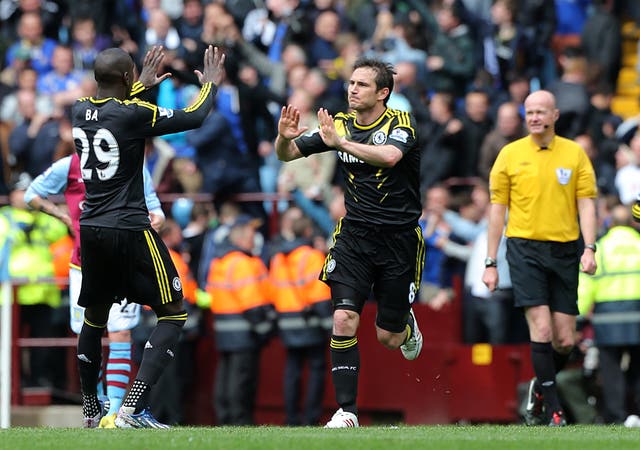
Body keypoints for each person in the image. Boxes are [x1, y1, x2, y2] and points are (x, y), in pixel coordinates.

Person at [72, 44, 225, 429]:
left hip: (90, 228)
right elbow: (195, 115)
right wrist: (210, 85)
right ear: (125, 78)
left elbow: (115, 111)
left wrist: (137, 84)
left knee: (95, 318)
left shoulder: (78, 110)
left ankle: (91, 410)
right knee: (174, 312)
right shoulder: (134, 113)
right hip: (130, 227)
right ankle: (130, 409)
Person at [275, 57, 425, 428]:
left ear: (383, 93)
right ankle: (347, 412)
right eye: (351, 83)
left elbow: (390, 157)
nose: (352, 89)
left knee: (388, 338)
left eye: (361, 85)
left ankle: (405, 325)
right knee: (343, 318)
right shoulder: (338, 124)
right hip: (354, 236)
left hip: (398, 240)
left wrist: (340, 143)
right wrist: (284, 135)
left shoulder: (399, 124)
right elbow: (287, 154)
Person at [483, 89, 598, 427]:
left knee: (565, 339)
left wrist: (589, 247)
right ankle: (554, 411)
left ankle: (540, 388)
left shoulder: (575, 154)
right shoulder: (509, 154)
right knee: (543, 329)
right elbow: (496, 211)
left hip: (564, 250)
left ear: (555, 115)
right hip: (524, 248)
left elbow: (587, 203)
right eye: (529, 111)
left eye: (540, 111)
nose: (534, 117)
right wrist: (490, 262)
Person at [24, 152, 165, 428]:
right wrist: (62, 214)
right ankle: (95, 404)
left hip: (125, 261)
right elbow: (31, 194)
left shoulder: (133, 161)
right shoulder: (70, 165)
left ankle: (114, 411)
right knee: (88, 333)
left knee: (121, 331)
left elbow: (156, 211)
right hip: (83, 263)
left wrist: (150, 221)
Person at [205, 214, 275, 425]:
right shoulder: (242, 262)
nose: (255, 238)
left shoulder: (220, 261)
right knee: (241, 379)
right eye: (253, 234)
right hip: (244, 330)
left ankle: (225, 417)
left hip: (224, 328)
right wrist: (265, 329)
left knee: (226, 376)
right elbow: (251, 301)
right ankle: (239, 419)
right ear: (242, 237)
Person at [578, 205, 640, 424]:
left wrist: (579, 316)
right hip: (637, 316)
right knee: (637, 368)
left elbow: (585, 285)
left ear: (610, 223)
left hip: (607, 320)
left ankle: (616, 416)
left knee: (611, 370)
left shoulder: (600, 249)